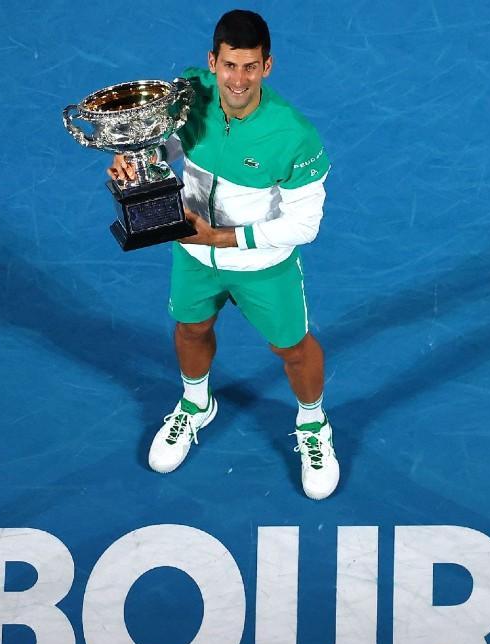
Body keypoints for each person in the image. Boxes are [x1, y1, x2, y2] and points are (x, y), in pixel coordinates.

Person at [108, 9, 338, 499]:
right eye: (230, 65)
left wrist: (223, 239)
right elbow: (166, 144)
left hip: (261, 265)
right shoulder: (188, 94)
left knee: (292, 349)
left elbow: (305, 224)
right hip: (193, 255)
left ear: (267, 67)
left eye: (250, 67)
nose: (239, 79)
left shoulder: (294, 135)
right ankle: (196, 404)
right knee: (191, 328)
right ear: (212, 61)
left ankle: (314, 425)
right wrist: (136, 158)